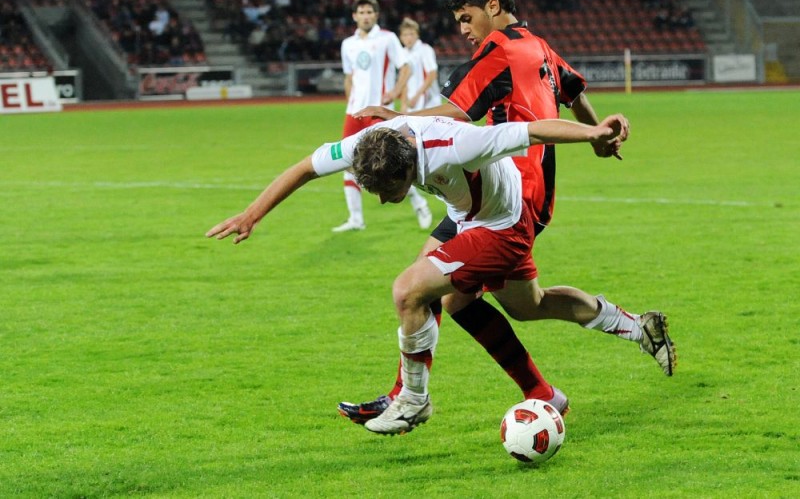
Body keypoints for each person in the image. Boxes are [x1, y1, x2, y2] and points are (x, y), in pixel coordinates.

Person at [339, 0, 674, 425]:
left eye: (466, 17)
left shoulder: (496, 49)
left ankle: (409, 397)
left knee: (428, 290)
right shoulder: (539, 45)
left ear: (492, 6)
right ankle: (636, 328)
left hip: (500, 199)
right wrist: (597, 135)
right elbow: (574, 92)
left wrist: (398, 118)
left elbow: (455, 111)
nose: (463, 29)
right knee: (525, 305)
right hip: (535, 199)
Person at [206, 113, 644, 435]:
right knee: (526, 306)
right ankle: (623, 333)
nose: (381, 201)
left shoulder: (457, 146)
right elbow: (304, 167)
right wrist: (251, 214)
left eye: (388, 192)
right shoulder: (367, 145)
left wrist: (592, 133)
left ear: (410, 170)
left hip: (502, 224)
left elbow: (531, 130)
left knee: (409, 291)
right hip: (468, 215)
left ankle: (413, 402)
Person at [334, 0, 432, 232]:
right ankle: (356, 218)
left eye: (370, 12)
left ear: (376, 15)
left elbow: (406, 67)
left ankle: (420, 204)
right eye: (362, 12)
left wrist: (394, 93)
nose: (366, 16)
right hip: (354, 113)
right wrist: (351, 100)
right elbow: (349, 77)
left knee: (393, 162)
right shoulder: (348, 43)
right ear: (354, 16)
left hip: (378, 111)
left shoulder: (387, 39)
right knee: (347, 163)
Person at [397, 17, 440, 113]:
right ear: (401, 37)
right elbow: (404, 82)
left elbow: (432, 74)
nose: (409, 38)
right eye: (405, 35)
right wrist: (403, 104)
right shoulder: (402, 53)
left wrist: (417, 96)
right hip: (412, 102)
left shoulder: (425, 49)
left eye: (411, 34)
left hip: (429, 102)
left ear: (417, 35)